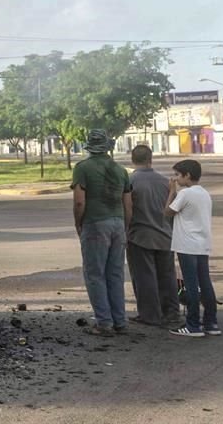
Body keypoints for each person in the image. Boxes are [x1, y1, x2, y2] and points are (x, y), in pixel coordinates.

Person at [71, 129, 132, 337]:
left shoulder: (82, 168)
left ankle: (104, 323)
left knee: (95, 274)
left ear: (88, 146)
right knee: (115, 274)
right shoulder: (120, 170)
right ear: (108, 146)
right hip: (118, 223)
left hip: (96, 223)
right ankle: (120, 321)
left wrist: (78, 224)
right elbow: (128, 204)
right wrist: (125, 226)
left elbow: (80, 201)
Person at [126, 145, 181, 327]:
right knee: (167, 276)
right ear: (151, 159)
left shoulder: (129, 181)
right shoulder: (165, 182)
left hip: (140, 236)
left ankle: (150, 315)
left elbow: (126, 209)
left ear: (132, 160)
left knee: (144, 277)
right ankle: (171, 313)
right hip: (165, 235)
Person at [166, 159, 220, 337]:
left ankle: (193, 325)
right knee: (205, 284)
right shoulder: (204, 193)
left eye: (177, 175)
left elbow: (167, 213)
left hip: (187, 245)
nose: (176, 179)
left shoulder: (185, 194)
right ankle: (211, 323)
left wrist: (172, 192)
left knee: (190, 284)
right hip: (202, 244)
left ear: (187, 175)